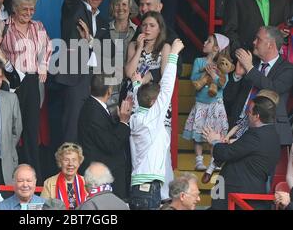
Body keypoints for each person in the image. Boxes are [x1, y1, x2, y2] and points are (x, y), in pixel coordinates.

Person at [54, 0, 110, 144]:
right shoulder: (75, 9)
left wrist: (92, 41)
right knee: (72, 127)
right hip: (76, 77)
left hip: (97, 78)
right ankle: (68, 170)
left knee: (92, 127)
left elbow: (109, 51)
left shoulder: (103, 20)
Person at [1, 0, 52, 184]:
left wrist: (43, 66)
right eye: (25, 9)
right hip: (12, 82)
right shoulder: (4, 26)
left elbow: (47, 48)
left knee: (31, 130)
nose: (29, 13)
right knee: (12, 129)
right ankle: (9, 176)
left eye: (32, 9)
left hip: (32, 81)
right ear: (14, 8)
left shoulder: (37, 26)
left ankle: (34, 180)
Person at [129, 38, 184, 210]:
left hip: (137, 188)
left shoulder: (137, 117)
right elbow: (167, 87)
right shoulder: (153, 118)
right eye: (159, 100)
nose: (163, 102)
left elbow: (140, 102)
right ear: (154, 103)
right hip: (149, 188)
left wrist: (137, 84)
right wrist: (173, 54)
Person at [204, 95, 281, 210]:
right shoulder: (273, 134)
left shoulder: (257, 135)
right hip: (247, 190)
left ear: (256, 116)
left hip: (238, 191)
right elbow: (237, 151)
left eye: (249, 112)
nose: (247, 114)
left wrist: (214, 141)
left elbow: (227, 153)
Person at [225, 26, 293, 146]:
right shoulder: (250, 63)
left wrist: (250, 69)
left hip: (269, 132)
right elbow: (227, 98)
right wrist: (237, 76)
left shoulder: (288, 69)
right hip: (238, 126)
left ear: (270, 45)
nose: (253, 42)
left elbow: (273, 90)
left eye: (258, 39)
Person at [78, 74, 132, 200]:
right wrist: (123, 122)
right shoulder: (93, 111)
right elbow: (111, 145)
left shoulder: (92, 106)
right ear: (109, 90)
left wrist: (117, 119)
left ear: (90, 87)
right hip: (103, 176)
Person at [182, 34, 230, 172]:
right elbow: (194, 78)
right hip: (201, 103)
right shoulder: (199, 61)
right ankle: (199, 159)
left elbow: (223, 84)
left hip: (216, 105)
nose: (204, 42)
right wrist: (205, 74)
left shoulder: (222, 64)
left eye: (208, 41)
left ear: (216, 48)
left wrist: (214, 76)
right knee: (199, 131)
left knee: (214, 132)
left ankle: (214, 160)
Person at [107, 0, 138, 113]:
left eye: (124, 4)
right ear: (112, 8)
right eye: (117, 4)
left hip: (129, 84)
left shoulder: (137, 32)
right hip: (109, 83)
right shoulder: (104, 29)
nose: (120, 8)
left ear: (130, 8)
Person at [41, 142, 87, 209]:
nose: (70, 164)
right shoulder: (49, 183)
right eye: (66, 160)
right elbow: (44, 208)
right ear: (60, 162)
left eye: (74, 160)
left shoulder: (86, 182)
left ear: (79, 162)